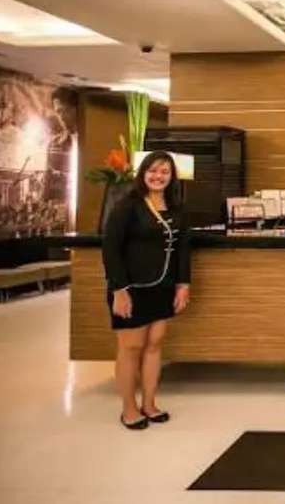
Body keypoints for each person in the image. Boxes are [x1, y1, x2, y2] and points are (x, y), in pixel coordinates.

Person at [102, 151, 191, 430]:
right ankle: (129, 408)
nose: (158, 176)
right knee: (131, 347)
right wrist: (119, 290)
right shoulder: (128, 205)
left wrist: (183, 284)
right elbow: (111, 249)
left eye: (164, 171)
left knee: (154, 345)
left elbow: (182, 250)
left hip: (163, 288)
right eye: (153, 170)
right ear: (143, 173)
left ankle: (149, 404)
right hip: (131, 288)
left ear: (172, 176)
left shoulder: (176, 207)